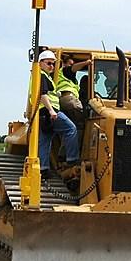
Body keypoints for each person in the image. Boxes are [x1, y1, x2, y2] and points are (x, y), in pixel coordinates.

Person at [36, 50, 79, 181]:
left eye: (53, 64)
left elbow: (49, 94)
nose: (52, 67)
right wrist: (51, 111)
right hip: (49, 112)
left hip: (44, 113)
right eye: (49, 63)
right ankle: (72, 159)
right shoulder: (41, 76)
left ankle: (43, 169)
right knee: (71, 129)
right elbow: (42, 95)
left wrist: (59, 95)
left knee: (45, 140)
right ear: (40, 63)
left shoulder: (45, 77)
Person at [57, 55, 91, 138]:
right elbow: (73, 68)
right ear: (63, 64)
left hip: (66, 100)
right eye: (69, 64)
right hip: (68, 98)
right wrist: (87, 62)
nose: (71, 66)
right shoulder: (64, 71)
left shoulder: (73, 81)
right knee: (84, 117)